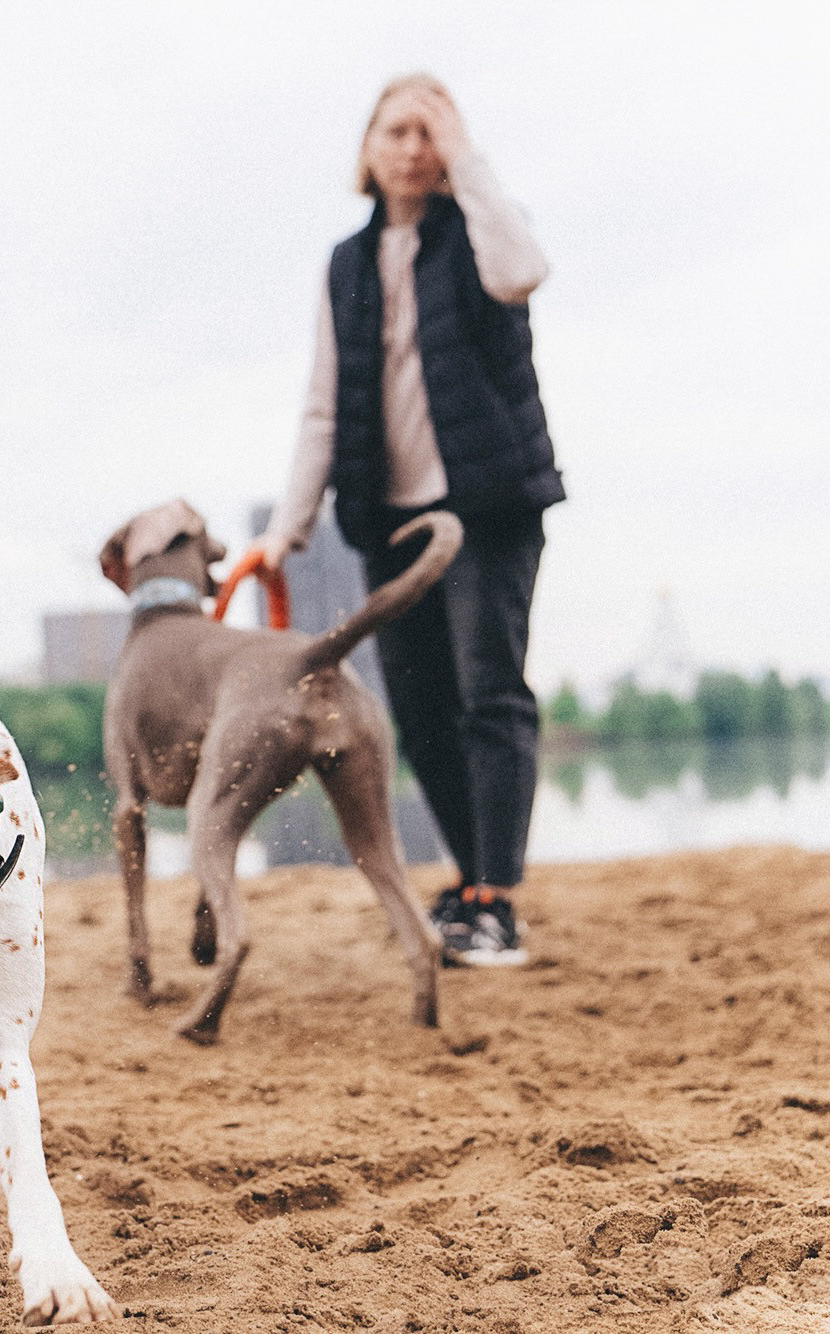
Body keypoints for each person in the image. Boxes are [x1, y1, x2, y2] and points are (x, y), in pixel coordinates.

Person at [251, 73, 563, 967]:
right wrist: (288, 528)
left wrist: (472, 163)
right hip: (389, 523)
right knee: (421, 711)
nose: (415, 147)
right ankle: (472, 882)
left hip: (488, 506)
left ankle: (496, 898)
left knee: (488, 692)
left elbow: (523, 271)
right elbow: (322, 406)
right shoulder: (347, 262)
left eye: (434, 131)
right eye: (399, 130)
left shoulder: (481, 231)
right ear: (368, 148)